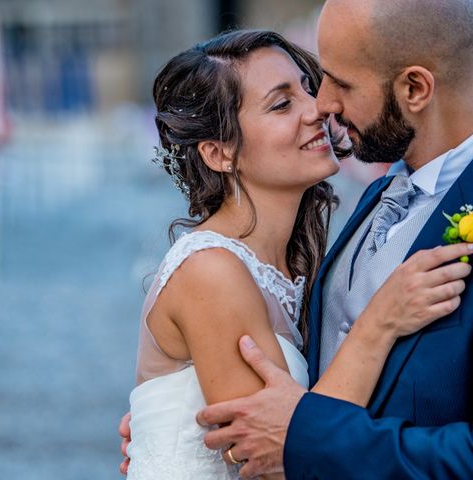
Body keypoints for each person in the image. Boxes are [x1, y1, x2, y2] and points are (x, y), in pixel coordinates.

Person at [120, 29, 472, 479]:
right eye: (282, 104)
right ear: (219, 152)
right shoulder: (212, 271)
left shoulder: (304, 258)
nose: (318, 108)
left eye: (309, 86)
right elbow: (267, 455)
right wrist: (379, 323)